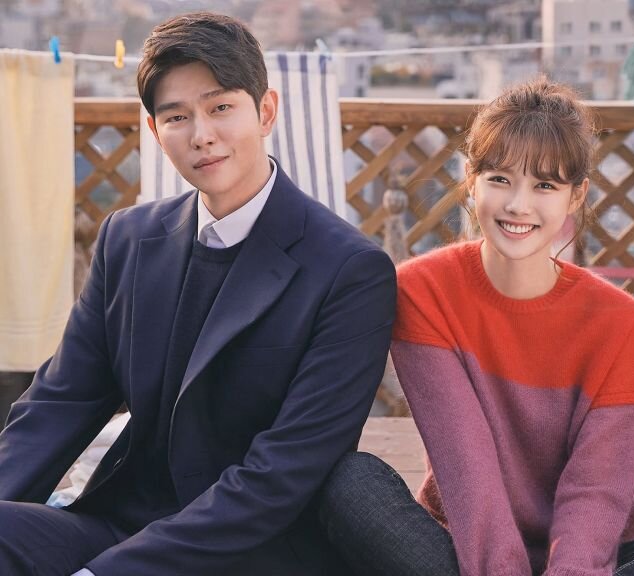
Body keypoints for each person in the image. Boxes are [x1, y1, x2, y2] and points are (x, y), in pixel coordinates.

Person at [0, 12, 396, 576]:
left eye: (220, 108)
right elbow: (59, 403)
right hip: (120, 525)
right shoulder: (127, 239)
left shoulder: (350, 270)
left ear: (266, 111)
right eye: (177, 117)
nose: (201, 135)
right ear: (155, 131)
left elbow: (282, 474)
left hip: (251, 550)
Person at [318, 79, 634, 576]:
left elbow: (596, 487)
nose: (519, 205)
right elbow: (466, 465)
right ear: (471, 179)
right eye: (500, 179)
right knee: (352, 480)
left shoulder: (618, 320)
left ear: (577, 196)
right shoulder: (424, 291)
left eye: (545, 186)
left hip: (589, 560)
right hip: (462, 551)